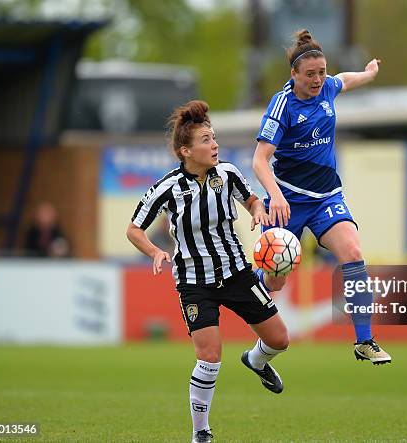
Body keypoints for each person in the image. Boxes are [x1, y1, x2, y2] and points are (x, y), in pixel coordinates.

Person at [126, 100, 289, 443]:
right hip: (194, 283)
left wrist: (257, 211)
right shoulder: (167, 187)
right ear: (186, 150)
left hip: (237, 273)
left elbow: (252, 200)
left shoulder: (228, 174)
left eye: (214, 138)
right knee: (210, 356)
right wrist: (156, 251)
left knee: (279, 339)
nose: (214, 145)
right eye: (206, 140)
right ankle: (201, 432)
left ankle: (256, 361)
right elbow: (134, 229)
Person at [252, 29, 391, 365]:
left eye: (321, 72)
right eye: (310, 74)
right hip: (286, 199)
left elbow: (345, 79)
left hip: (326, 196)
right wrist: (275, 196)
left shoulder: (328, 87)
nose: (318, 80)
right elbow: (259, 159)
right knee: (276, 281)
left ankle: (364, 340)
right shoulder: (282, 105)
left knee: (353, 253)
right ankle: (251, 289)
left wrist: (370, 73)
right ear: (294, 75)